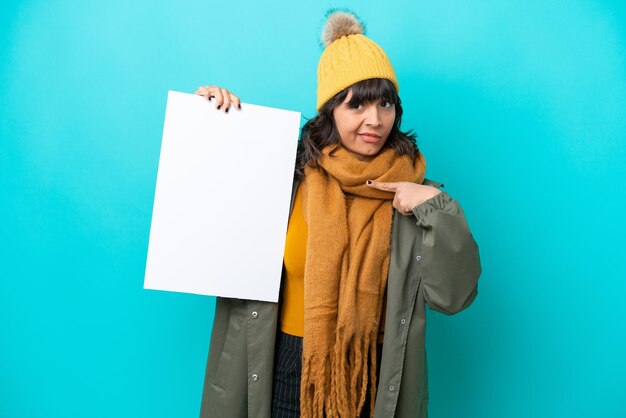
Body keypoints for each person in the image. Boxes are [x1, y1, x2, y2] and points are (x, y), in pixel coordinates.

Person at [195, 9, 481, 418]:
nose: (375, 120)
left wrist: (438, 210)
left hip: (374, 377)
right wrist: (211, 123)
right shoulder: (281, 180)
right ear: (330, 110)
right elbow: (204, 232)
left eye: (385, 103)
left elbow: (455, 296)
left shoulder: (416, 197)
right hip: (284, 370)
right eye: (357, 105)